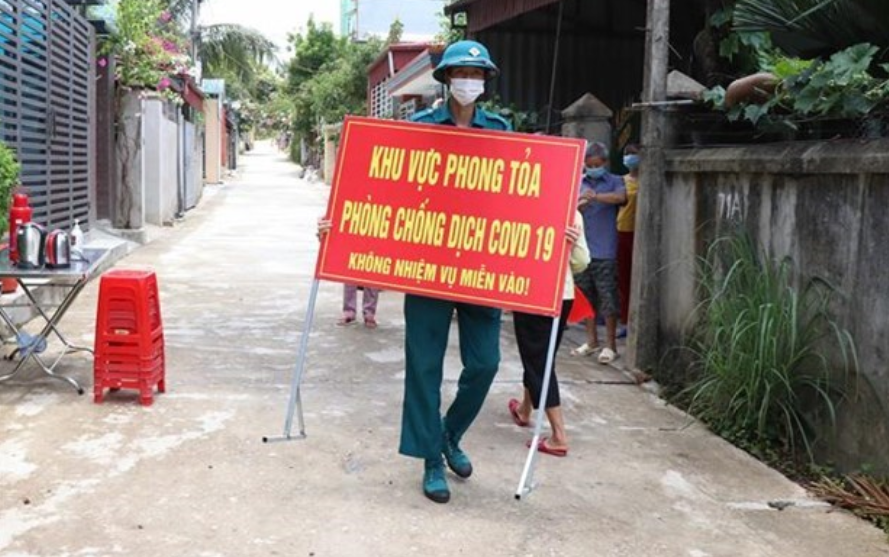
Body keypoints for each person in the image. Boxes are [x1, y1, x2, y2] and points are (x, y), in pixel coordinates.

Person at [319, 40, 511, 504]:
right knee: (424, 366)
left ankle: (447, 434)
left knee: (485, 363)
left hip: (481, 264)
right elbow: (385, 191)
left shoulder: (501, 131)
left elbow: (518, 197)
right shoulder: (420, 127)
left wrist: (558, 228)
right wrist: (339, 224)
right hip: (428, 265)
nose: (470, 81)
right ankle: (431, 460)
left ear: (486, 82)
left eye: (477, 74)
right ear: (446, 80)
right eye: (462, 73)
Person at [508, 211, 589, 457]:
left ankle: (558, 436)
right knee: (540, 356)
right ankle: (524, 409)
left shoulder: (523, 206)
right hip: (562, 295)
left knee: (538, 362)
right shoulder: (571, 211)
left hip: (531, 291)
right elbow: (581, 261)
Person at [571, 142, 627, 364]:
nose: (593, 168)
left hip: (605, 250)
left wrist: (595, 197)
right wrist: (580, 203)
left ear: (605, 162)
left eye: (597, 165)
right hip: (582, 250)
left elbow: (620, 198)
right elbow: (568, 207)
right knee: (586, 297)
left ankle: (610, 346)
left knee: (608, 298)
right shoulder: (578, 182)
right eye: (589, 165)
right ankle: (591, 340)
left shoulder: (615, 181)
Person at [616, 144, 640, 330]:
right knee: (623, 278)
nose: (630, 157)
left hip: (639, 233)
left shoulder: (648, 180)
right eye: (627, 154)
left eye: (634, 154)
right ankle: (624, 320)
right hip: (622, 231)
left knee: (636, 277)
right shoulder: (620, 181)